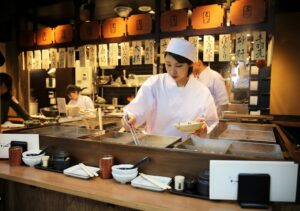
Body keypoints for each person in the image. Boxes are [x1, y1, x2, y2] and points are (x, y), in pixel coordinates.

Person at [123, 38, 218, 141]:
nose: (172, 71)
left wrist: (204, 129)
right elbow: (136, 111)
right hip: (156, 146)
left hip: (188, 148)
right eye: (168, 64)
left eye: (179, 66)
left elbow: (211, 122)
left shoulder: (202, 91)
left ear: (190, 65)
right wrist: (129, 118)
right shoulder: (154, 83)